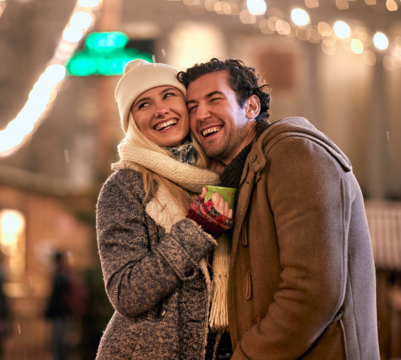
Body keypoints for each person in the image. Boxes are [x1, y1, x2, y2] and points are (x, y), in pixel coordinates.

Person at [178, 58, 380, 359]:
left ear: (251, 108)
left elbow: (311, 293)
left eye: (214, 99)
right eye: (192, 107)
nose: (201, 114)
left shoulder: (293, 154)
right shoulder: (241, 176)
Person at [95, 59, 234, 360]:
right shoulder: (125, 187)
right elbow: (125, 294)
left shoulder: (221, 174)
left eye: (169, 95)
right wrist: (196, 230)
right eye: (143, 104)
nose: (161, 110)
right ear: (132, 122)